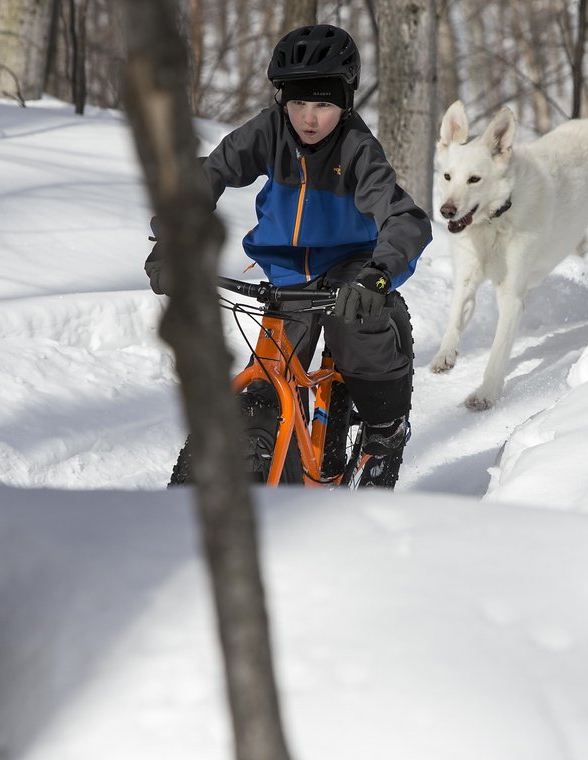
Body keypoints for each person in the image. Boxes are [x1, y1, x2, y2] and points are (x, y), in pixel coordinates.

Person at [145, 24, 432, 488]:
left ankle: (385, 429)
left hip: (349, 265)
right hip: (285, 271)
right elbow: (210, 173)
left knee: (353, 331)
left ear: (345, 101)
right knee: (269, 377)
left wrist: (378, 275)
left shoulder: (357, 148)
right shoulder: (269, 130)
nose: (309, 118)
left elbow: (404, 218)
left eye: (323, 104)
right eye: (298, 102)